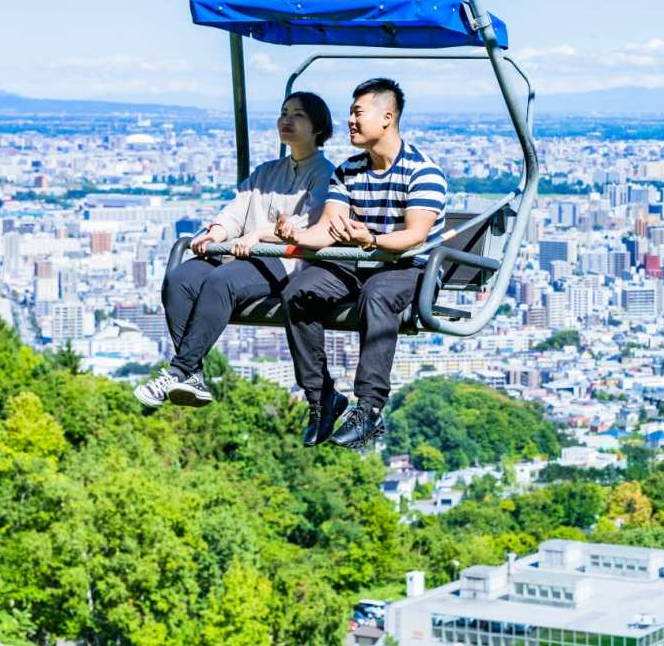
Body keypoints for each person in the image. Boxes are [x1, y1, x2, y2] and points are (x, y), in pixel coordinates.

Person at [276, 78, 448, 449]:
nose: (350, 121)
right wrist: (295, 237)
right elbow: (328, 228)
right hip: (358, 262)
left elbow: (414, 236)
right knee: (299, 291)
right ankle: (321, 397)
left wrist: (369, 240)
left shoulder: (423, 173)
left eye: (358, 113)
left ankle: (369, 408)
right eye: (351, 113)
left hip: (410, 267)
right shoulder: (348, 171)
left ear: (387, 117)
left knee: (376, 295)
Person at [135, 92, 335, 408]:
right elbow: (237, 209)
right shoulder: (267, 171)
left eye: (298, 115)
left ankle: (179, 371)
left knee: (221, 281)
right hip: (239, 252)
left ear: (317, 127)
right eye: (284, 112)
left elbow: (309, 223)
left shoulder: (325, 174)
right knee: (180, 279)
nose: (286, 120)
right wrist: (216, 232)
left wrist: (260, 235)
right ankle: (192, 374)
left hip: (283, 260)